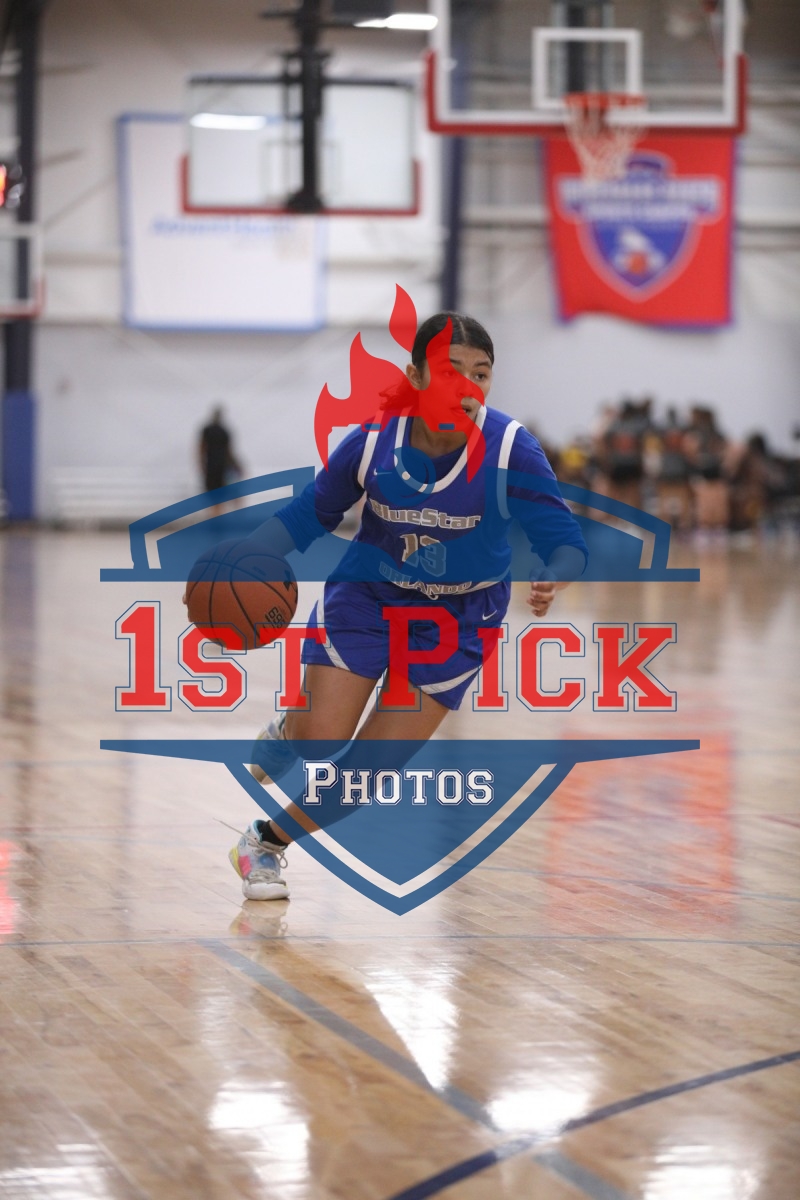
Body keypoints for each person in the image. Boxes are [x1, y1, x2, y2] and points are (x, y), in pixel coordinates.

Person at [219, 312, 589, 901]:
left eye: (481, 374)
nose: (467, 386)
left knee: (370, 769)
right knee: (322, 738)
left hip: (459, 619)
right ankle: (294, 729)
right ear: (415, 376)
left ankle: (264, 842)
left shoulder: (509, 448)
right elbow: (311, 513)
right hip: (369, 596)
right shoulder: (373, 442)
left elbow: (565, 541)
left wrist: (555, 574)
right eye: (450, 371)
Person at [199, 405, 241, 508]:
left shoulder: (208, 430)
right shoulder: (224, 431)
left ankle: (218, 515)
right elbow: (229, 451)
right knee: (226, 493)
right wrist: (237, 465)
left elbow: (201, 449)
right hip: (222, 465)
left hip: (212, 466)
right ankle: (233, 513)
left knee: (214, 496)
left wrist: (201, 464)